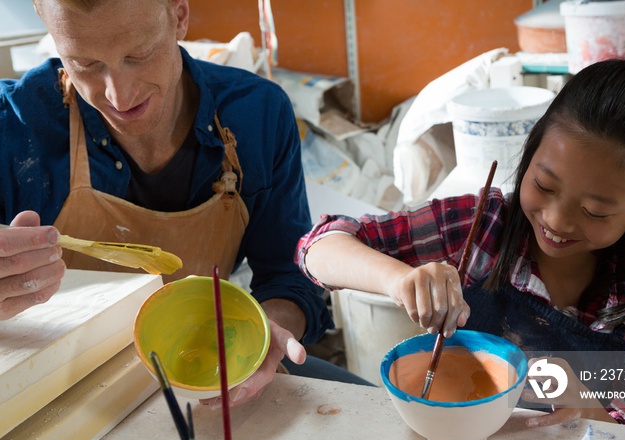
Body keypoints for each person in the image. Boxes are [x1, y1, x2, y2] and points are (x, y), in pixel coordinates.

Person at [0, 0, 367, 407]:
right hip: (56, 384)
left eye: (138, 55)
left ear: (178, 15)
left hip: (206, 363)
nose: (118, 95)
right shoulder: (13, 129)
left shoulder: (256, 115)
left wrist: (266, 332)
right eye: (84, 64)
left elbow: (288, 275)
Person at [296, 59, 625, 426]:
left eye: (595, 211)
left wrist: (591, 409)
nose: (556, 220)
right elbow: (317, 246)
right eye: (543, 185)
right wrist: (397, 280)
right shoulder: (484, 226)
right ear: (531, 150)